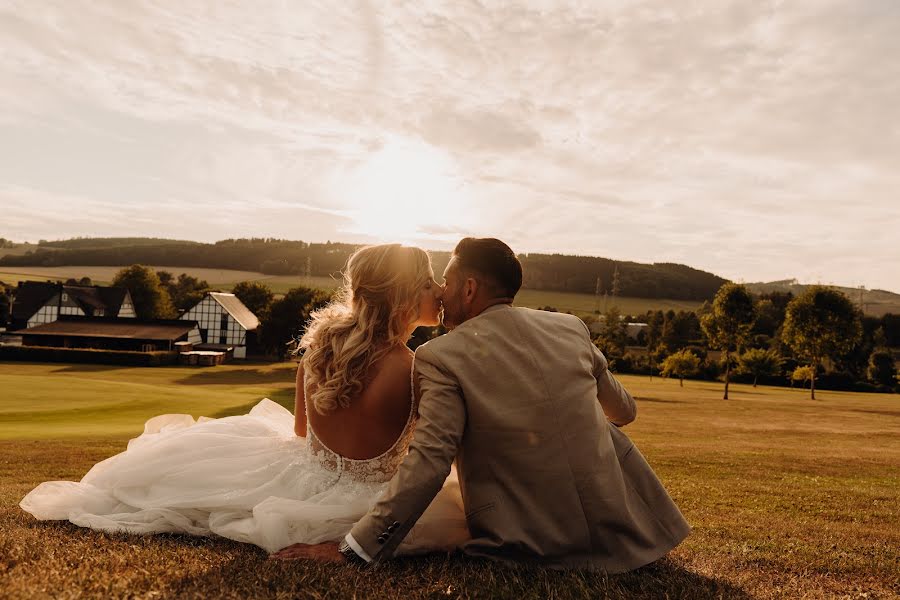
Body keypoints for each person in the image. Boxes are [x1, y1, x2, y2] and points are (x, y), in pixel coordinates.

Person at [20, 244, 470, 555]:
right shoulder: (414, 367)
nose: (438, 291)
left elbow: (300, 431)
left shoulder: (320, 350)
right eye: (429, 281)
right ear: (405, 293)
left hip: (305, 476)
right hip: (367, 500)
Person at [275, 238, 690, 572]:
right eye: (431, 284)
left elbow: (430, 461)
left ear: (469, 289)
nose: (440, 292)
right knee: (607, 428)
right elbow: (625, 412)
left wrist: (354, 549)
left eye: (446, 282)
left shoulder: (441, 356)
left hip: (525, 542)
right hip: (624, 535)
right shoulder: (570, 327)